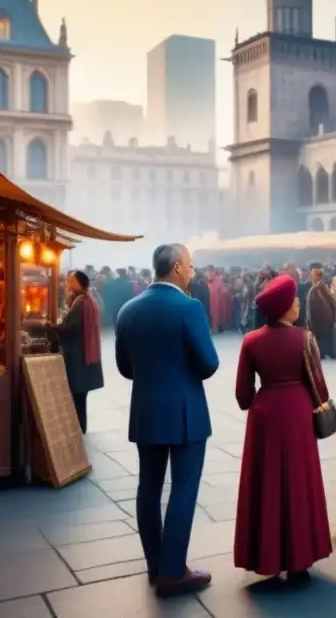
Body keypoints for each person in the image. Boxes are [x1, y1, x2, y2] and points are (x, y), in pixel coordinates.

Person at [115, 244, 220, 597]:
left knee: (148, 487)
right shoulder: (188, 307)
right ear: (176, 267)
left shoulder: (128, 310)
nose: (193, 272)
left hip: (146, 410)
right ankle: (173, 572)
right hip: (186, 410)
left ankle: (156, 564)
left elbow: (124, 368)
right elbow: (208, 363)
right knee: (183, 488)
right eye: (190, 266)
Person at [233, 275, 332, 584]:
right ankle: (300, 560)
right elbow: (319, 387)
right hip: (298, 414)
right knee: (298, 483)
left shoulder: (250, 341)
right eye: (295, 301)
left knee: (267, 483)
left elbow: (243, 396)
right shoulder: (304, 339)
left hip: (264, 417)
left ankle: (267, 557)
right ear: (287, 308)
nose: (299, 303)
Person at [50, 270, 104, 434]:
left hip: (79, 358)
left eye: (71, 281)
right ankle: (80, 428)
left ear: (79, 284)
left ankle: (79, 428)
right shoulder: (85, 300)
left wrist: (50, 328)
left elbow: (70, 328)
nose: (67, 284)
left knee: (78, 396)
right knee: (80, 397)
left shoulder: (82, 303)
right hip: (82, 357)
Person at [306, 265, 336, 359]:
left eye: (312, 275)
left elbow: (310, 314)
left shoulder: (316, 290)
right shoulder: (323, 289)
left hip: (320, 331)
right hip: (324, 330)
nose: (311, 278)